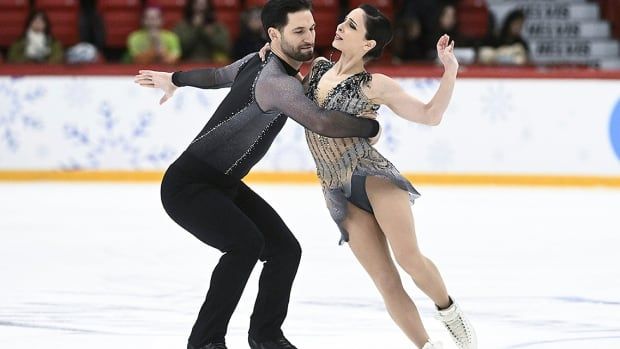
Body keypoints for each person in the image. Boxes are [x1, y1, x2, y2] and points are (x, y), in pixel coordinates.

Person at [133, 1, 379, 349]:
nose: (309, 38)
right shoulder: (276, 81)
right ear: (274, 35)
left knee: (285, 250)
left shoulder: (256, 60)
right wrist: (371, 126)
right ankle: (205, 341)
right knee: (244, 244)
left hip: (222, 184)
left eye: (311, 28)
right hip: (188, 187)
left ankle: (266, 337)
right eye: (298, 31)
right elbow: (321, 122)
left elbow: (217, 76)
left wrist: (175, 79)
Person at [259, 4, 476, 349]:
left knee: (408, 258)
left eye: (351, 26)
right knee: (385, 280)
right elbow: (283, 91)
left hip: (372, 175)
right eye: (344, 21)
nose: (341, 27)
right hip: (335, 189)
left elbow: (430, 115)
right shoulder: (315, 69)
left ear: (368, 44)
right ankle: (427, 346)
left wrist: (449, 69)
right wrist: (270, 53)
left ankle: (448, 310)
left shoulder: (376, 84)